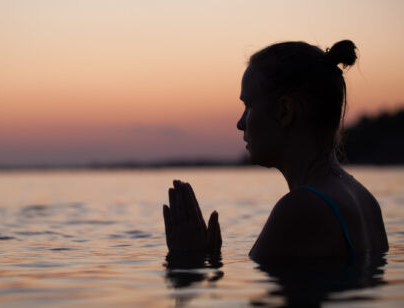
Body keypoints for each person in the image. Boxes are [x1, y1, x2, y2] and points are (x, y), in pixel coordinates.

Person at [163, 40, 388, 258]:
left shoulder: (300, 209)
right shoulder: (366, 201)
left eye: (248, 106)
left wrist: (188, 260)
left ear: (285, 111)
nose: (240, 123)